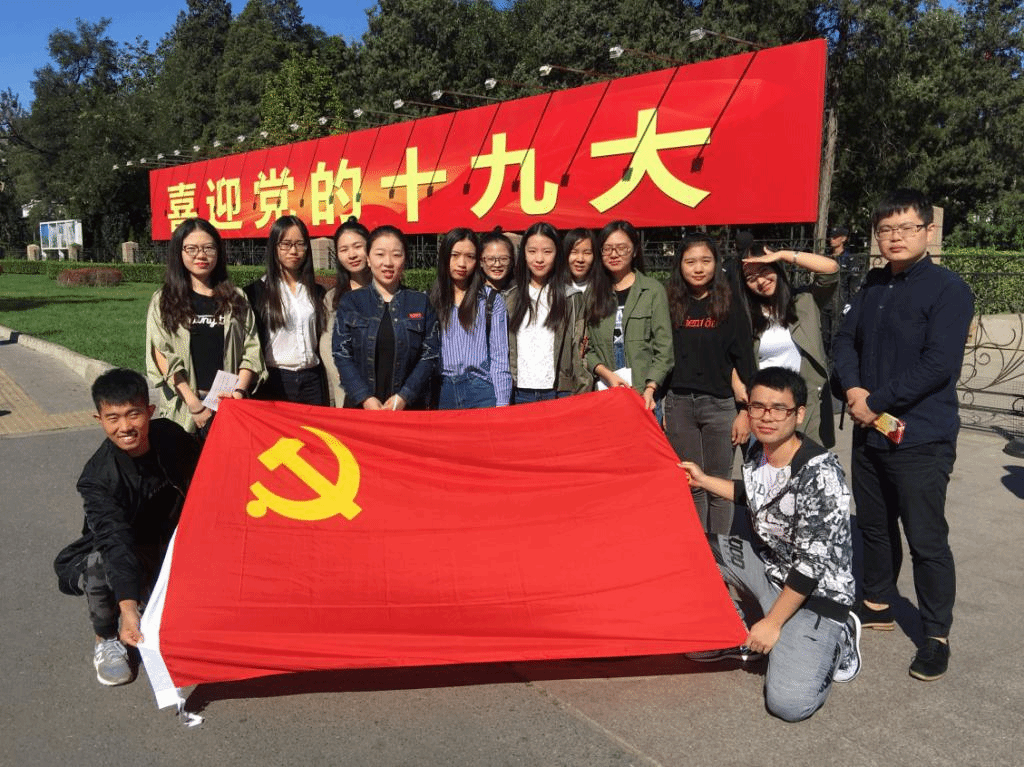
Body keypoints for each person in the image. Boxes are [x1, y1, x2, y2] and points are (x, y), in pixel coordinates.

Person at [832, 189, 974, 682]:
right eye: (886, 230)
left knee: (926, 538)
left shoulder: (948, 289)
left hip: (921, 436)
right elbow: (844, 341)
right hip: (869, 431)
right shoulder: (873, 284)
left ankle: (936, 635)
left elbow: (938, 365)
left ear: (927, 232)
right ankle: (877, 603)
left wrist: (876, 400)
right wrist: (854, 389)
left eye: (906, 228)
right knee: (874, 525)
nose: (895, 237)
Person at [680, 366, 861, 722]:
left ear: (799, 414)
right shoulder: (758, 450)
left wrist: (772, 624)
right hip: (771, 569)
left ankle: (839, 638)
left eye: (779, 408)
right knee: (692, 548)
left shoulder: (820, 474)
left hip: (816, 594)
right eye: (758, 407)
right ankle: (734, 631)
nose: (766, 416)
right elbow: (755, 495)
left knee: (789, 704)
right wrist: (702, 480)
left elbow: (810, 566)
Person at [55, 368, 200, 686]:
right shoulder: (96, 478)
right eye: (113, 418)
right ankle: (106, 638)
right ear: (99, 419)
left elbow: (211, 466)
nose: (125, 427)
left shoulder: (169, 435)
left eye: (134, 414)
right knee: (99, 564)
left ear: (150, 411)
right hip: (127, 550)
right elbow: (115, 540)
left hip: (176, 544)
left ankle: (157, 601)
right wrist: (129, 609)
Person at [663, 234, 755, 534]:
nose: (698, 268)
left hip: (720, 406)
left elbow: (745, 361)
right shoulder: (669, 304)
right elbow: (660, 355)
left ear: (716, 263)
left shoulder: (730, 304)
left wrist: (746, 411)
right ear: (680, 265)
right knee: (692, 483)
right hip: (679, 404)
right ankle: (700, 551)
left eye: (705, 260)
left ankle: (720, 553)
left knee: (718, 485)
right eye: (690, 261)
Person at [146, 217, 265, 436]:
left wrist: (238, 393)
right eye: (191, 248)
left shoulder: (236, 298)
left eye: (208, 248)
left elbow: (252, 349)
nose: (201, 255)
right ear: (179, 252)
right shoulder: (164, 300)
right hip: (185, 407)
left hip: (228, 404)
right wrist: (194, 404)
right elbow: (161, 354)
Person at [739, 243, 839, 447]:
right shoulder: (744, 315)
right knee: (768, 465)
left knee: (807, 462)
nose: (760, 281)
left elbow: (831, 270)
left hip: (805, 404)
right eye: (751, 278)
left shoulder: (804, 301)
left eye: (764, 270)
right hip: (765, 409)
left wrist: (784, 255)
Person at [332, 224, 439, 410]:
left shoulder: (420, 302)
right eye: (380, 254)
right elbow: (341, 353)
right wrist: (364, 397)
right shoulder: (351, 302)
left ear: (405, 259)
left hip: (408, 408)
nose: (388, 262)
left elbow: (430, 354)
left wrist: (404, 396)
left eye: (396, 255)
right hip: (361, 408)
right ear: (368, 259)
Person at [584, 220, 673, 414]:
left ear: (634, 251)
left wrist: (651, 388)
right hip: (606, 393)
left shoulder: (652, 291)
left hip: (644, 396)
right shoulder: (593, 294)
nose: (614, 254)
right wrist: (607, 374)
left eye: (622, 248)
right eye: (607, 249)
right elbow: (586, 348)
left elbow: (664, 348)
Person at [244, 215, 327, 406]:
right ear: (274, 247)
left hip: (312, 380)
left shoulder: (317, 292)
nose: (293, 251)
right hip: (274, 380)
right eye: (286, 244)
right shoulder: (255, 292)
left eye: (300, 244)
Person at [504, 221, 590, 403]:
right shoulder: (509, 298)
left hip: (560, 392)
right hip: (518, 393)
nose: (539, 259)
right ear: (523, 254)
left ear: (557, 254)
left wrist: (582, 393)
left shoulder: (571, 298)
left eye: (547, 252)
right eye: (532, 251)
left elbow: (579, 351)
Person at [429, 227, 512, 408]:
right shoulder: (431, 301)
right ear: (444, 257)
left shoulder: (490, 300)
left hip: (480, 391)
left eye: (470, 257)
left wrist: (502, 404)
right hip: (442, 391)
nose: (462, 263)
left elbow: (499, 358)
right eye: (455, 255)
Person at [321, 217, 373, 407]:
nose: (352, 255)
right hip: (347, 389)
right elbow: (327, 345)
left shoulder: (388, 291)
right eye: (344, 250)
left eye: (357, 246)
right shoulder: (332, 298)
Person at [480, 228, 516, 293]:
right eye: (490, 259)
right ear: (481, 261)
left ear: (511, 261)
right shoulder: (473, 293)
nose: (497, 264)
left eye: (503, 259)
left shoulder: (521, 293)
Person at [563, 227, 597, 294]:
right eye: (574, 252)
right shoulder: (554, 289)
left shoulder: (605, 288)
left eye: (587, 253)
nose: (580, 259)